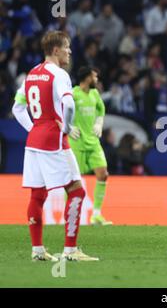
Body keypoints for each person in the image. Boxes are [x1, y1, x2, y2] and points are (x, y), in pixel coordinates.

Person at [12, 31, 98, 261]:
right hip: (54, 140)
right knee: (77, 191)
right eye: (67, 47)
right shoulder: (59, 74)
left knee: (37, 195)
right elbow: (68, 103)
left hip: (34, 142)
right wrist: (67, 127)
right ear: (56, 50)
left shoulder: (31, 74)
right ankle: (70, 250)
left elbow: (17, 109)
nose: (70, 51)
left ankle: (37, 250)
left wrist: (34, 128)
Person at [68, 66, 112, 225]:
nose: (97, 79)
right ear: (87, 77)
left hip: (93, 141)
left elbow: (101, 109)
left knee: (103, 174)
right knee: (74, 181)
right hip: (76, 142)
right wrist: (68, 127)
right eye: (95, 76)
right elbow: (60, 110)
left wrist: (99, 123)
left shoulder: (94, 94)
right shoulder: (73, 94)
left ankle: (96, 215)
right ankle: (71, 216)